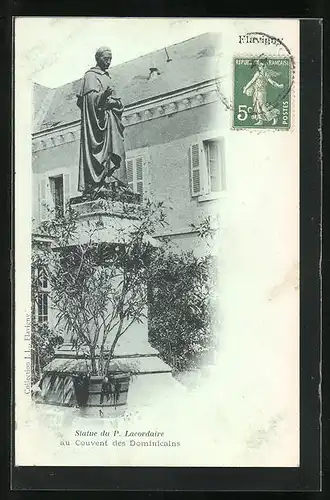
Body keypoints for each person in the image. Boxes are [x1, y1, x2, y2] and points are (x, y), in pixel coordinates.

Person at [77, 47, 127, 194]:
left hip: (111, 122)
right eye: (106, 59)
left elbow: (118, 102)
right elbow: (88, 101)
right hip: (99, 125)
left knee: (115, 150)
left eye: (110, 59)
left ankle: (113, 180)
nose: (109, 62)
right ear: (98, 59)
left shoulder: (108, 77)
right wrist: (104, 96)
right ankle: (99, 182)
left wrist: (116, 103)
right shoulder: (90, 76)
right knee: (101, 153)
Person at [243, 59, 284, 125]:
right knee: (257, 106)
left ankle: (274, 116)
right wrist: (245, 89)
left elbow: (272, 82)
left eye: (263, 66)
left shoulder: (266, 74)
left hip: (262, 92)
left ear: (264, 67)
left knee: (262, 106)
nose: (261, 67)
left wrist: (278, 86)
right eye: (260, 66)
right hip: (256, 92)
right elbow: (251, 81)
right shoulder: (257, 74)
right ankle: (260, 121)